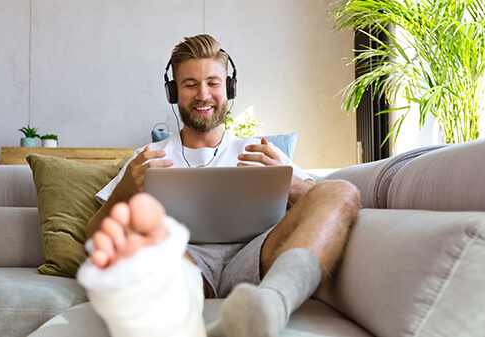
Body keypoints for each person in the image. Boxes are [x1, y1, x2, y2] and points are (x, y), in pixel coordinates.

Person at [77, 34, 361, 337]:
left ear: (229, 88)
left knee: (342, 190)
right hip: (183, 257)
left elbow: (324, 204)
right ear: (173, 92)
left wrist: (291, 185)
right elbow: (94, 235)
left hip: (259, 254)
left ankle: (272, 303)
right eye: (189, 84)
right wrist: (124, 193)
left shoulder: (260, 150)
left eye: (213, 83)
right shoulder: (147, 158)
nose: (203, 94)